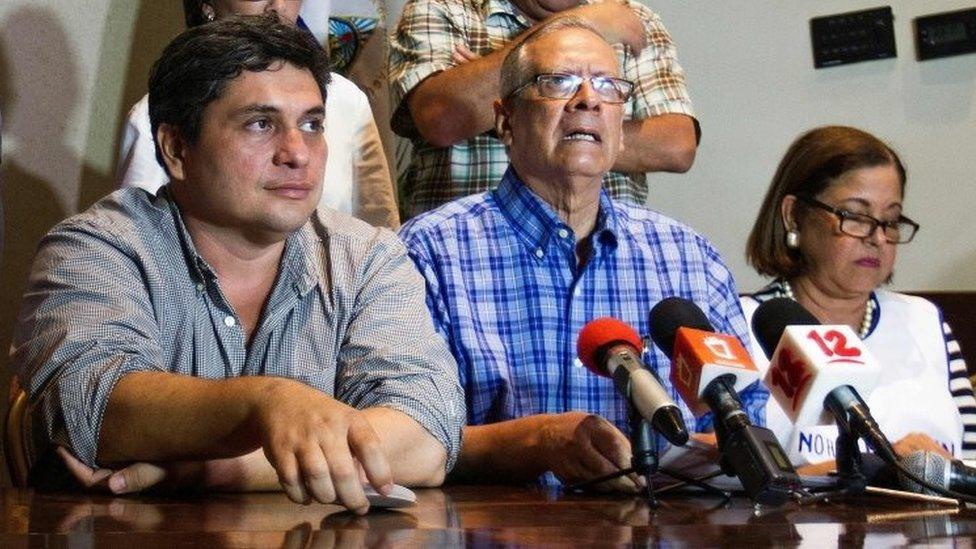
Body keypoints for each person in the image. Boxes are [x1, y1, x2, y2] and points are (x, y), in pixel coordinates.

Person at [10, 15, 462, 513]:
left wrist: (211, 470)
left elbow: (425, 433)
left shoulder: (369, 257)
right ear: (176, 148)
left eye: (311, 124)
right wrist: (266, 402)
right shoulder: (97, 247)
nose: (297, 153)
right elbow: (87, 408)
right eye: (260, 124)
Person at [398, 20, 763, 491]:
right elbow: (402, 442)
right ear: (505, 120)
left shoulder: (689, 259)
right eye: (558, 82)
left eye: (609, 87)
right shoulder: (429, 253)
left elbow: (746, 421)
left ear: (620, 127)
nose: (588, 100)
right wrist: (537, 442)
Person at [742, 125, 976, 470]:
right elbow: (724, 475)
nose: (878, 237)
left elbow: (970, 460)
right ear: (794, 215)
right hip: (791, 524)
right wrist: (887, 466)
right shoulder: (742, 326)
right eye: (854, 215)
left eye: (891, 220)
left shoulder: (924, 321)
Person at [389, 0, 698, 218]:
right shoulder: (444, 7)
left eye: (603, 85)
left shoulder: (630, 19)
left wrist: (517, 115)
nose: (584, 102)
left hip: (603, 255)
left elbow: (675, 145)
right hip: (467, 254)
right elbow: (441, 118)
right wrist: (583, 24)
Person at [117, 0, 400, 229]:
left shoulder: (347, 100)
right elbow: (136, 243)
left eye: (313, 125)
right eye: (260, 124)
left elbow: (380, 233)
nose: (277, 7)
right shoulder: (156, 114)